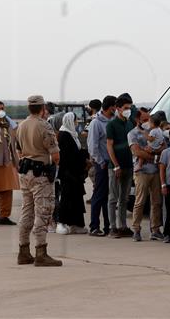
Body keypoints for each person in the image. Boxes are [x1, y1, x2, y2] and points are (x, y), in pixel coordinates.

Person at [16, 95, 63, 267]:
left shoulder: (21, 125)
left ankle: (23, 251)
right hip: (40, 174)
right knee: (43, 211)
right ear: (42, 108)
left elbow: (19, 151)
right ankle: (41, 252)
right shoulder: (44, 126)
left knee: (27, 211)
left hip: (25, 173)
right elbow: (55, 155)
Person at [128, 112, 163, 242]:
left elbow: (163, 147)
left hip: (155, 171)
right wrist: (155, 157)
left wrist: (153, 153)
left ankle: (155, 229)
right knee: (140, 201)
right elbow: (137, 152)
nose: (147, 121)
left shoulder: (155, 131)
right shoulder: (133, 134)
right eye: (144, 119)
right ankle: (136, 229)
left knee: (156, 202)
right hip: (141, 172)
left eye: (148, 119)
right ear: (138, 120)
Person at [106, 95, 134, 238]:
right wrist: (116, 165)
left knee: (124, 198)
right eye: (126, 108)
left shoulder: (130, 124)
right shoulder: (111, 125)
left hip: (129, 165)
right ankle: (112, 227)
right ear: (118, 109)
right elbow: (109, 146)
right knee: (113, 198)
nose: (128, 110)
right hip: (116, 167)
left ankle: (123, 226)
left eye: (130, 108)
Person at [87, 95, 115, 236]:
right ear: (109, 107)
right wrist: (101, 162)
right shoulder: (96, 123)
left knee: (108, 197)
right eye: (115, 107)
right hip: (102, 164)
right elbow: (93, 146)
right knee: (99, 196)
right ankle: (94, 226)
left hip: (112, 164)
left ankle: (108, 225)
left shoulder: (113, 120)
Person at [56, 112, 88, 235]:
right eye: (75, 120)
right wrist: (83, 156)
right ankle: (61, 223)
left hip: (75, 173)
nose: (77, 122)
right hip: (68, 174)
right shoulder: (64, 135)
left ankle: (75, 224)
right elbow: (68, 156)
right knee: (66, 198)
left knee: (76, 199)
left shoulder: (72, 134)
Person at [159, 140, 170, 243]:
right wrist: (163, 184)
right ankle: (167, 233)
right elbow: (162, 169)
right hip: (169, 184)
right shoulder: (166, 152)